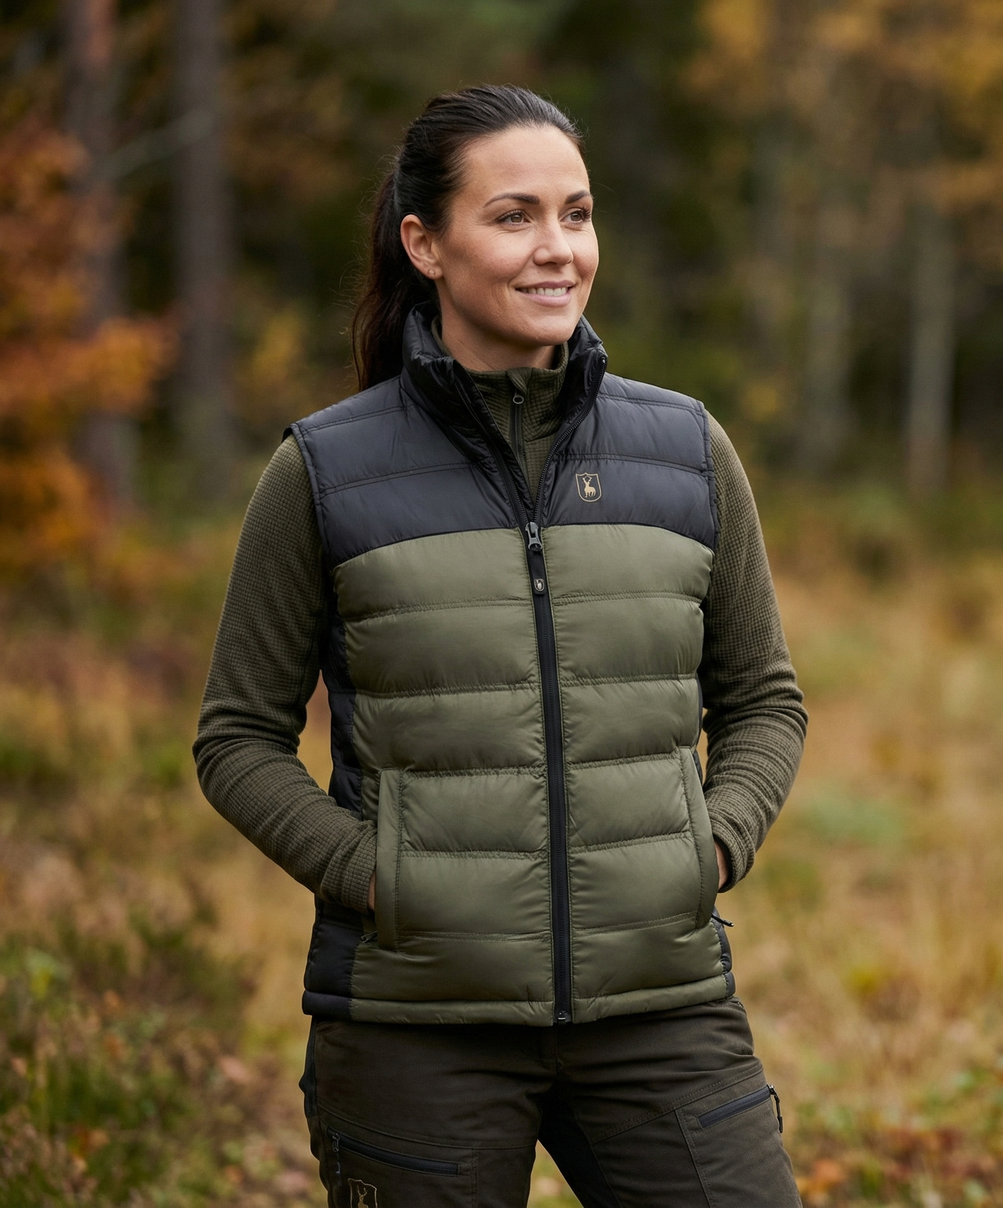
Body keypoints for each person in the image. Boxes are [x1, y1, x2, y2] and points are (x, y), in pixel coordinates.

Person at [194, 84, 807, 1207]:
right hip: (416, 1025)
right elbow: (236, 738)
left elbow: (764, 698)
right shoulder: (326, 471)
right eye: (514, 216)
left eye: (577, 214)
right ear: (424, 243)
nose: (557, 248)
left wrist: (708, 849)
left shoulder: (685, 450)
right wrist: (379, 879)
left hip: (661, 1007)